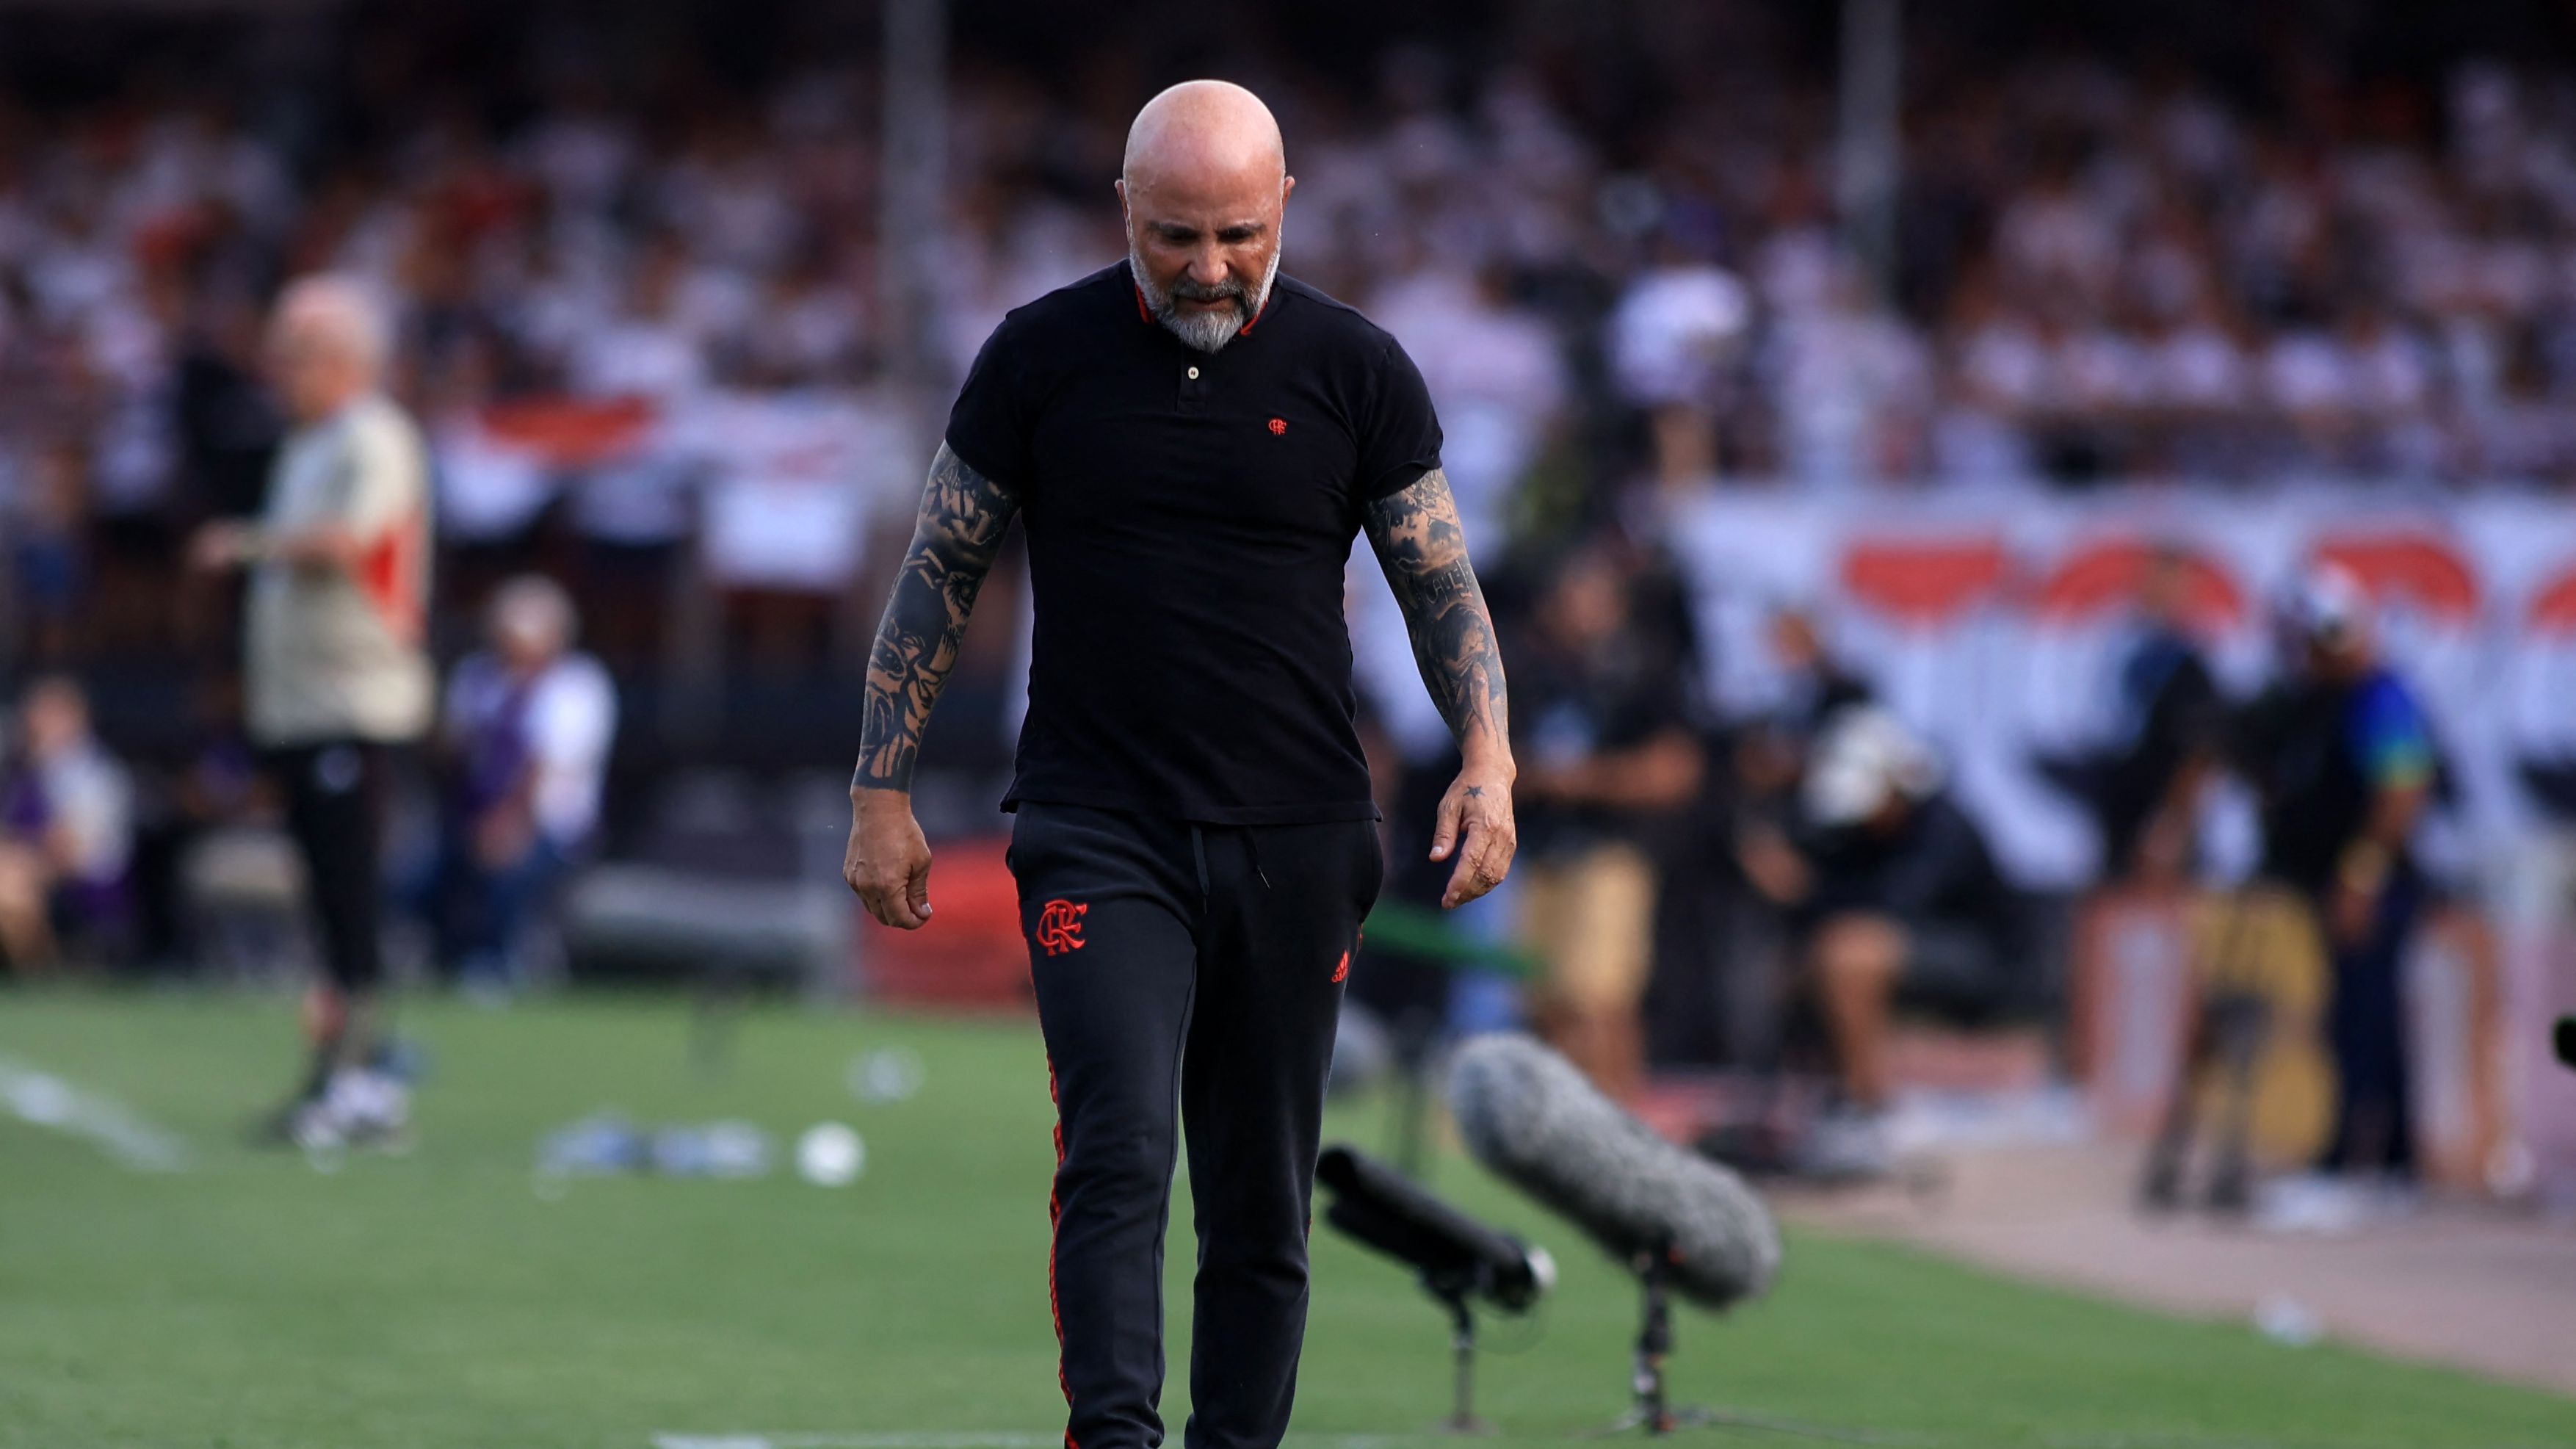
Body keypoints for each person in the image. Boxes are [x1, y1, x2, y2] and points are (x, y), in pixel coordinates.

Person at [839, 81, 1516, 1449]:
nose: (1209, 266)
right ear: (1124, 213)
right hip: (1100, 822)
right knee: (1120, 1150)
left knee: (1260, 1196)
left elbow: (1438, 579)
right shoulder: (1040, 355)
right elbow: (941, 567)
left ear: (1285, 209)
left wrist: (1488, 757)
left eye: (1238, 234)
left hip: (1298, 829)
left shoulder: (1357, 368)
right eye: (1176, 237)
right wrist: (879, 786)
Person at [190, 275, 434, 1149]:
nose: (278, 370)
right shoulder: (309, 444)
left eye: (294, 353)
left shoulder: (374, 436)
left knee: (349, 899)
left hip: (352, 701)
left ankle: (361, 1077)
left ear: (341, 360)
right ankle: (338, 1072)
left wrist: (247, 542)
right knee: (326, 904)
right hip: (302, 707)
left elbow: (349, 541)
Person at [2237, 565, 2436, 1230]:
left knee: (2364, 1022)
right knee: (2361, 1018)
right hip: (2340, 880)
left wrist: (2362, 875)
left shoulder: (2382, 697)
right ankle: (2391, 1164)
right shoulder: (2322, 700)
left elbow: (2402, 789)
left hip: (2375, 887)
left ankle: (2358, 1164)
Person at [1743, 707, 2016, 1174]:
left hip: (1984, 965)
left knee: (1849, 954)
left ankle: (1872, 1113)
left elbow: (1895, 906)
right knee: (1810, 959)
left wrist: (1804, 888)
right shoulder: (1855, 834)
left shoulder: (1944, 827)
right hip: (1900, 950)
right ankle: (1829, 1102)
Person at [1508, 541, 1702, 1101]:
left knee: (1598, 1000)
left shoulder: (1645, 671)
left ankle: (1613, 1120)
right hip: (1542, 851)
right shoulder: (1533, 671)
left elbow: (1676, 771)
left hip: (1610, 851)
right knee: (1543, 1001)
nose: (1573, 609)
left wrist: (1583, 780)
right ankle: (1560, 1123)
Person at [417, 574, 617, 996]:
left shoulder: (578, 685)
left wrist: (507, 824)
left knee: (509, 871)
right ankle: (444, 960)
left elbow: (545, 766)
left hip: (550, 828)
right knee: (419, 879)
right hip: (472, 817)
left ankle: (498, 961)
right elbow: (456, 755)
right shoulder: (478, 677)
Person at [0, 677, 134, 969]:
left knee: (8, 891)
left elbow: (71, 851)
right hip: (28, 870)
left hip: (82, 886)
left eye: (45, 717)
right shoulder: (23, 770)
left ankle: (42, 969)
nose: (34, 726)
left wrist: (19, 864)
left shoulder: (91, 773)